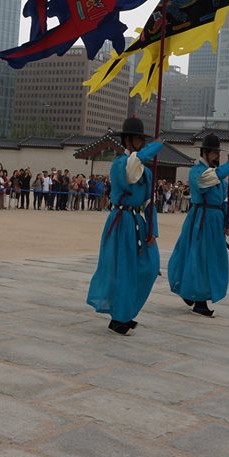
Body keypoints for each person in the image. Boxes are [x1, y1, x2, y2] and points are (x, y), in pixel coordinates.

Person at [87, 118, 163, 336]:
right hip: (121, 221)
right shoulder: (120, 164)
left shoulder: (147, 172)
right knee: (123, 270)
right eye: (139, 139)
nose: (142, 143)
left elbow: (149, 202)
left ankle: (125, 311)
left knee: (150, 267)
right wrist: (155, 147)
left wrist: (153, 229)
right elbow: (132, 170)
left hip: (138, 222)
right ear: (128, 140)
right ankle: (120, 318)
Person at [168, 133, 229, 317]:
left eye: (218, 153)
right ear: (205, 152)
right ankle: (199, 301)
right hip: (201, 219)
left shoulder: (218, 176)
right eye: (215, 153)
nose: (217, 156)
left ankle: (192, 293)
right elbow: (212, 178)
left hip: (215, 221)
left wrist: (227, 221)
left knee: (212, 259)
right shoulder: (197, 172)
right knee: (199, 258)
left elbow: (224, 201)